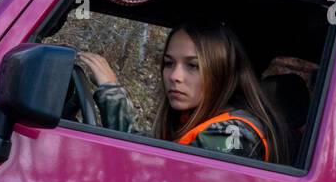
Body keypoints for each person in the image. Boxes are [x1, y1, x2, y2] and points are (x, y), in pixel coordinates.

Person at [76, 22, 285, 164]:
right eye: (168, 63)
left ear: (222, 73)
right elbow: (156, 153)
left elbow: (152, 174)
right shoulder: (199, 123)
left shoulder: (235, 133)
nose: (175, 76)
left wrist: (111, 93)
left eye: (193, 66)